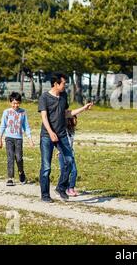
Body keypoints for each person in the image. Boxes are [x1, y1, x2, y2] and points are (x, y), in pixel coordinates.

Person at [38, 72, 93, 203]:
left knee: (69, 160)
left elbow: (67, 113)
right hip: (47, 136)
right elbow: (44, 117)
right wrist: (51, 132)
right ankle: (45, 195)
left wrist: (83, 109)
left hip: (62, 134)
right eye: (63, 83)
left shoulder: (63, 96)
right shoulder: (44, 97)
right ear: (56, 84)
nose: (65, 85)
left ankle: (61, 187)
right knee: (46, 166)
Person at [0, 92, 34, 186]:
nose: (15, 105)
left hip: (18, 139)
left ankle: (21, 173)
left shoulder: (23, 112)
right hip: (9, 138)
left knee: (18, 158)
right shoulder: (6, 112)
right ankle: (10, 178)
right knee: (10, 158)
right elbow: (3, 125)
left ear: (20, 102)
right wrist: (0, 139)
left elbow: (26, 126)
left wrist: (30, 140)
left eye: (17, 103)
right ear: (10, 102)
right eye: (14, 103)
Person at [57, 113, 79, 197]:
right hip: (62, 154)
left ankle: (71, 188)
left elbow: (71, 143)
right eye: (74, 118)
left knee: (74, 171)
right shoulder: (64, 130)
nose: (75, 120)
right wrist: (58, 150)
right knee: (64, 171)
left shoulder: (72, 130)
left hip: (70, 154)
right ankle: (61, 188)